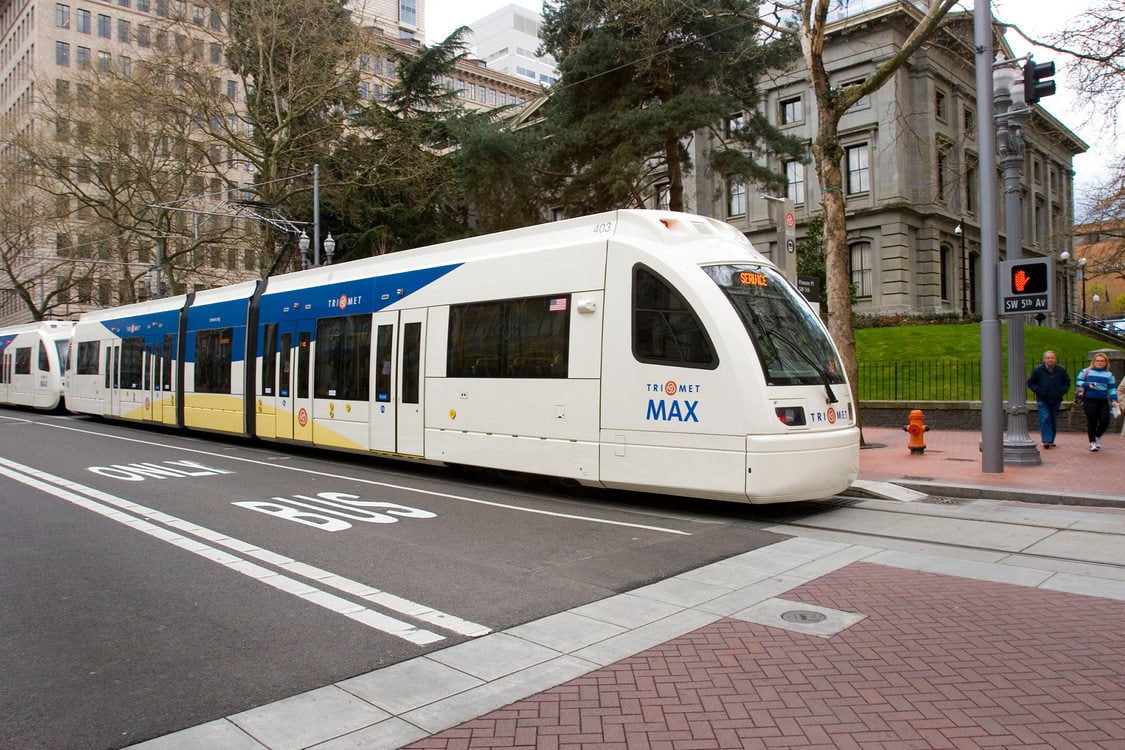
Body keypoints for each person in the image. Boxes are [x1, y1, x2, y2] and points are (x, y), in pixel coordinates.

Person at [1075, 352, 1119, 452]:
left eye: (1102, 361)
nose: (1099, 363)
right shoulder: (1086, 371)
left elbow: (1112, 388)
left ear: (1105, 363)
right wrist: (1088, 384)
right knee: (1092, 421)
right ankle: (1092, 442)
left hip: (1103, 401)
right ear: (1094, 361)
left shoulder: (1109, 374)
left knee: (1105, 421)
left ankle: (1097, 436)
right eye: (1097, 361)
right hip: (1089, 400)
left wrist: (1114, 399)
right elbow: (1078, 381)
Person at [1026, 350, 1069, 448]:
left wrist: (1061, 391)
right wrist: (1039, 391)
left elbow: (1067, 382)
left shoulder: (1061, 370)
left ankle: (1051, 439)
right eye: (1048, 358)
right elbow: (1031, 382)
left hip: (1056, 398)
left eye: (1052, 357)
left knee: (1052, 418)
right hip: (1043, 398)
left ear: (1055, 359)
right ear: (1044, 359)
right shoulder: (1038, 370)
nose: (1050, 359)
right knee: (1045, 417)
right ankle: (1046, 440)